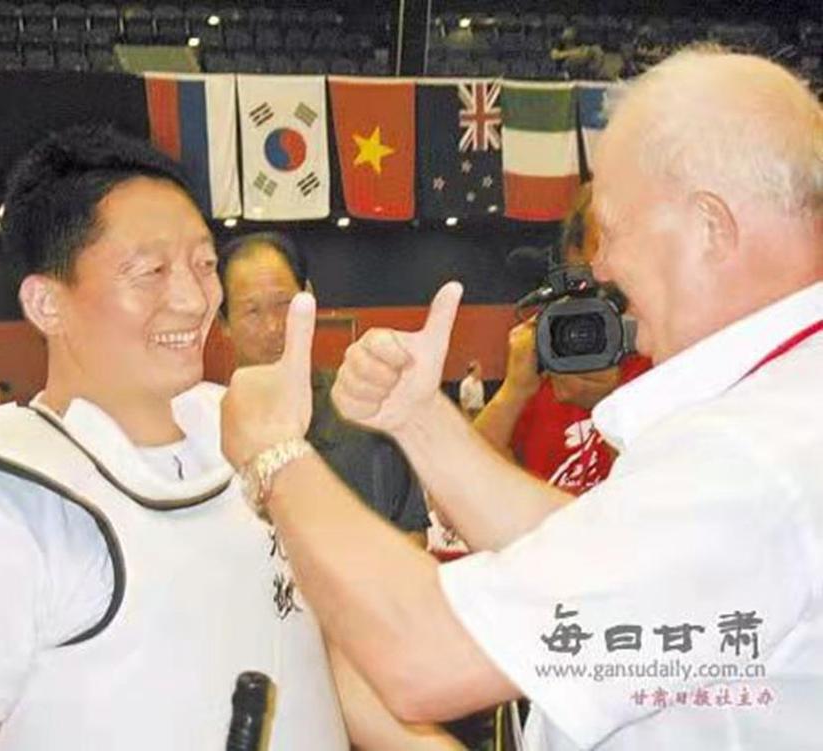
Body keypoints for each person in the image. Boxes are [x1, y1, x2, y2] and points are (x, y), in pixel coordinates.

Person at [220, 49, 823, 750]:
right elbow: (591, 552)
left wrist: (276, 455)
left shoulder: (751, 455)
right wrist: (420, 418)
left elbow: (428, 657)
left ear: (711, 227)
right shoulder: (781, 411)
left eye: (614, 230)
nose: (602, 266)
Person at [0, 125, 351, 751]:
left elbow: (325, 667)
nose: (193, 299)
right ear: (47, 304)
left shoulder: (253, 439)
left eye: (204, 264)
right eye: (151, 270)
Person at [218, 232, 429, 547]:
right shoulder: (203, 433)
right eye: (252, 311)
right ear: (223, 322)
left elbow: (412, 535)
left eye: (284, 305)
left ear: (309, 298)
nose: (273, 327)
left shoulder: (365, 409)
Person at [475, 185, 650, 495]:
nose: (623, 264)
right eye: (605, 244)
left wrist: (610, 407)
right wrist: (512, 393)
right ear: (574, 254)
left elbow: (660, 503)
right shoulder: (546, 353)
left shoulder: (673, 360)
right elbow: (459, 493)